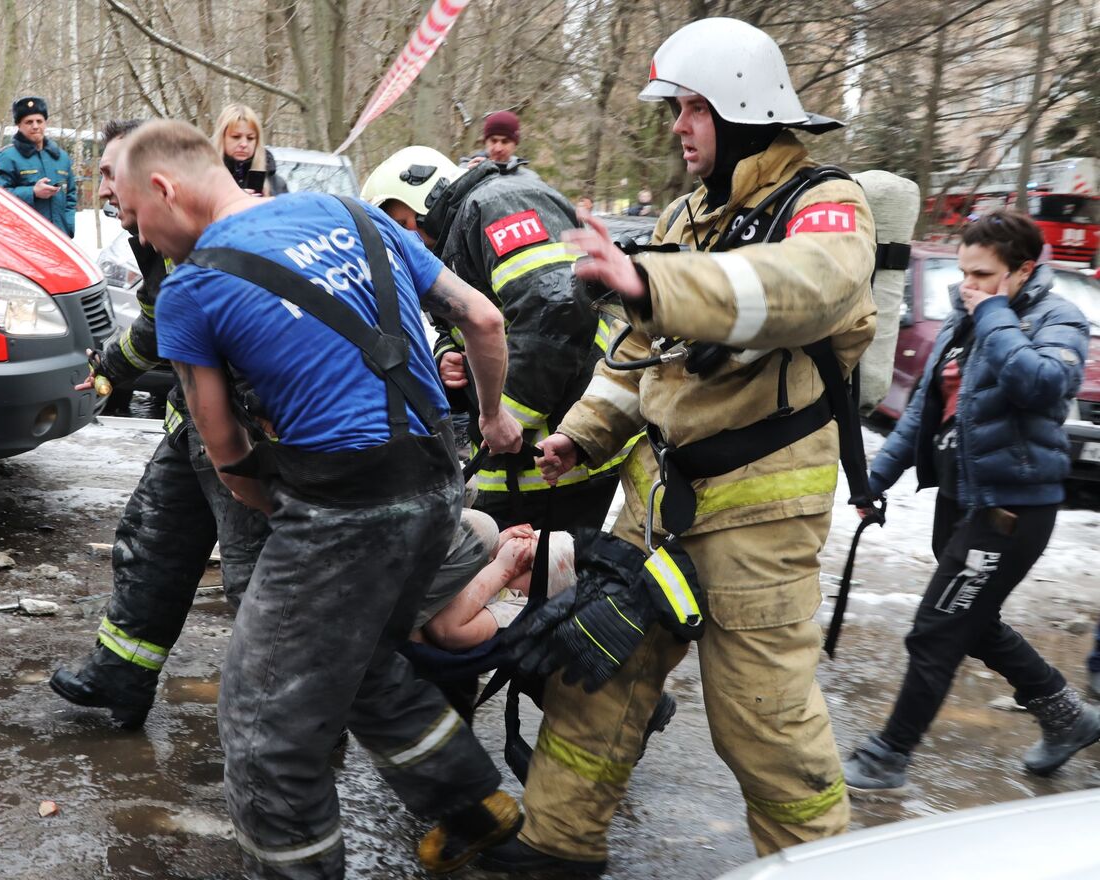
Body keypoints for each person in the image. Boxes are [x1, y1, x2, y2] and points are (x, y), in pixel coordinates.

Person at [475, 17, 877, 873]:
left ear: (741, 109)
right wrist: (582, 437)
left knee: (762, 724)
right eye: (675, 110)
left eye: (692, 109)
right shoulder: (690, 214)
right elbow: (636, 354)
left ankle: (824, 866)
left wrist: (652, 278)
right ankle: (555, 845)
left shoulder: (826, 206)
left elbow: (806, 288)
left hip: (760, 521)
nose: (679, 127)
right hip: (656, 508)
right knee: (599, 678)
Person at [116, 118, 526, 878]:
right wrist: (495, 414)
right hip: (439, 480)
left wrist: (296, 522)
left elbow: (226, 452)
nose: (142, 237)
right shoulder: (354, 214)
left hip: (346, 507)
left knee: (263, 721)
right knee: (360, 658)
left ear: (166, 189)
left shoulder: (193, 289)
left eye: (137, 218)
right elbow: (484, 318)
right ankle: (475, 804)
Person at [842, 211, 1096, 790]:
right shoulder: (962, 323)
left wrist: (995, 313)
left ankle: (890, 754)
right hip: (959, 502)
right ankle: (1068, 718)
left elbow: (1040, 384)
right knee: (970, 622)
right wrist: (874, 479)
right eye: (963, 274)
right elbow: (920, 417)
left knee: (937, 628)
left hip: (1011, 512)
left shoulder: (1059, 319)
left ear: (1023, 270)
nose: (968, 286)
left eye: (983, 275)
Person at [48, 119, 271, 729]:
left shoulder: (215, 231)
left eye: (112, 175)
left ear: (155, 181)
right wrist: (111, 367)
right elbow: (158, 317)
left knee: (257, 578)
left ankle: (298, 720)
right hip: (190, 426)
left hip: (244, 434)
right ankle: (121, 675)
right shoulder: (148, 234)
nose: (105, 190)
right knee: (151, 543)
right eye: (99, 177)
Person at [362, 145, 629, 532]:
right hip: (522, 450)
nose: (406, 240)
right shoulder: (455, 235)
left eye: (403, 223)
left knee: (541, 572)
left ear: (424, 197)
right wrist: (449, 358)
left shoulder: (498, 206)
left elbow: (554, 311)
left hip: (559, 444)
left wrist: (507, 415)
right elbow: (459, 326)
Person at [417, 515, 576, 651]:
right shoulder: (503, 569)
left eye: (525, 561)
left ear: (544, 587)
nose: (512, 556)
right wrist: (493, 546)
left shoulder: (517, 607)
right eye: (516, 544)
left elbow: (444, 631)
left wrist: (502, 566)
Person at [0, 96, 77, 236]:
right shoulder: (6, 157)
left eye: (39, 121)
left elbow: (70, 195)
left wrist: (68, 226)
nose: (35, 126)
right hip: (25, 240)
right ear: (19, 125)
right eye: (29, 122)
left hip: (59, 238)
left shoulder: (61, 157)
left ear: (45, 123)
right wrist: (32, 192)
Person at [212, 103, 288, 196]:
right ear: (222, 138)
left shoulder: (276, 184)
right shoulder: (202, 179)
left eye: (250, 138)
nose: (244, 144)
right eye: (236, 137)